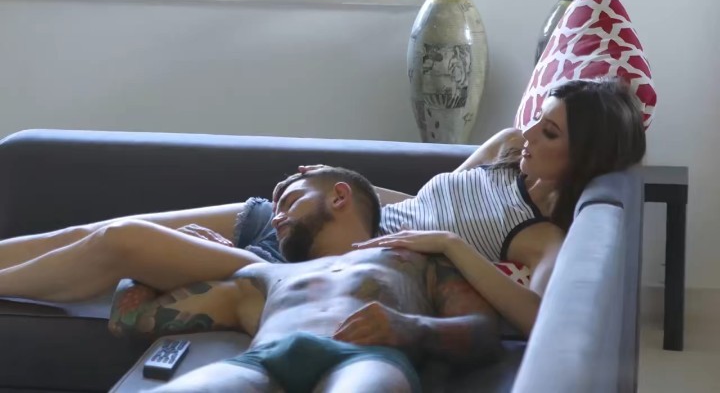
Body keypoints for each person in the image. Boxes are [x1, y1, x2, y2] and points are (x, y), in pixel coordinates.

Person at [0, 77, 646, 337]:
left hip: (322, 264)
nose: (528, 134)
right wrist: (340, 182)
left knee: (117, 240)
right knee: (90, 230)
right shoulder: (504, 148)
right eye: (538, 120)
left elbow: (537, 317)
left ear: (581, 157)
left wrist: (451, 248)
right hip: (304, 222)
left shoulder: (538, 238)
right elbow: (423, 203)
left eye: (549, 134)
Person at [113, 167, 502, 393]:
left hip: (367, 359)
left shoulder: (414, 258)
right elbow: (130, 318)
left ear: (339, 197)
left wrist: (412, 328)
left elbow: (486, 334)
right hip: (263, 362)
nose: (276, 218)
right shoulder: (264, 274)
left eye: (290, 202)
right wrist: (166, 261)